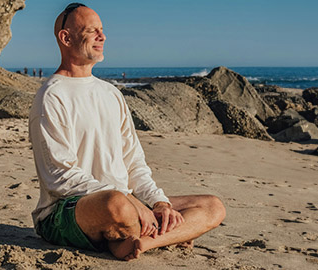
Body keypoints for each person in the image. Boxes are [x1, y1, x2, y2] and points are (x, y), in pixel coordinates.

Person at [28, 3, 226, 261]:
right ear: (66, 38)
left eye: (102, 30)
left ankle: (141, 241)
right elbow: (59, 176)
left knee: (213, 207)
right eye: (92, 31)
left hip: (126, 202)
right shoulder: (52, 96)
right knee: (115, 205)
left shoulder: (111, 93)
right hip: (67, 209)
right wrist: (129, 201)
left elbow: (134, 162)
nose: (103, 37)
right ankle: (158, 234)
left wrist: (159, 203)